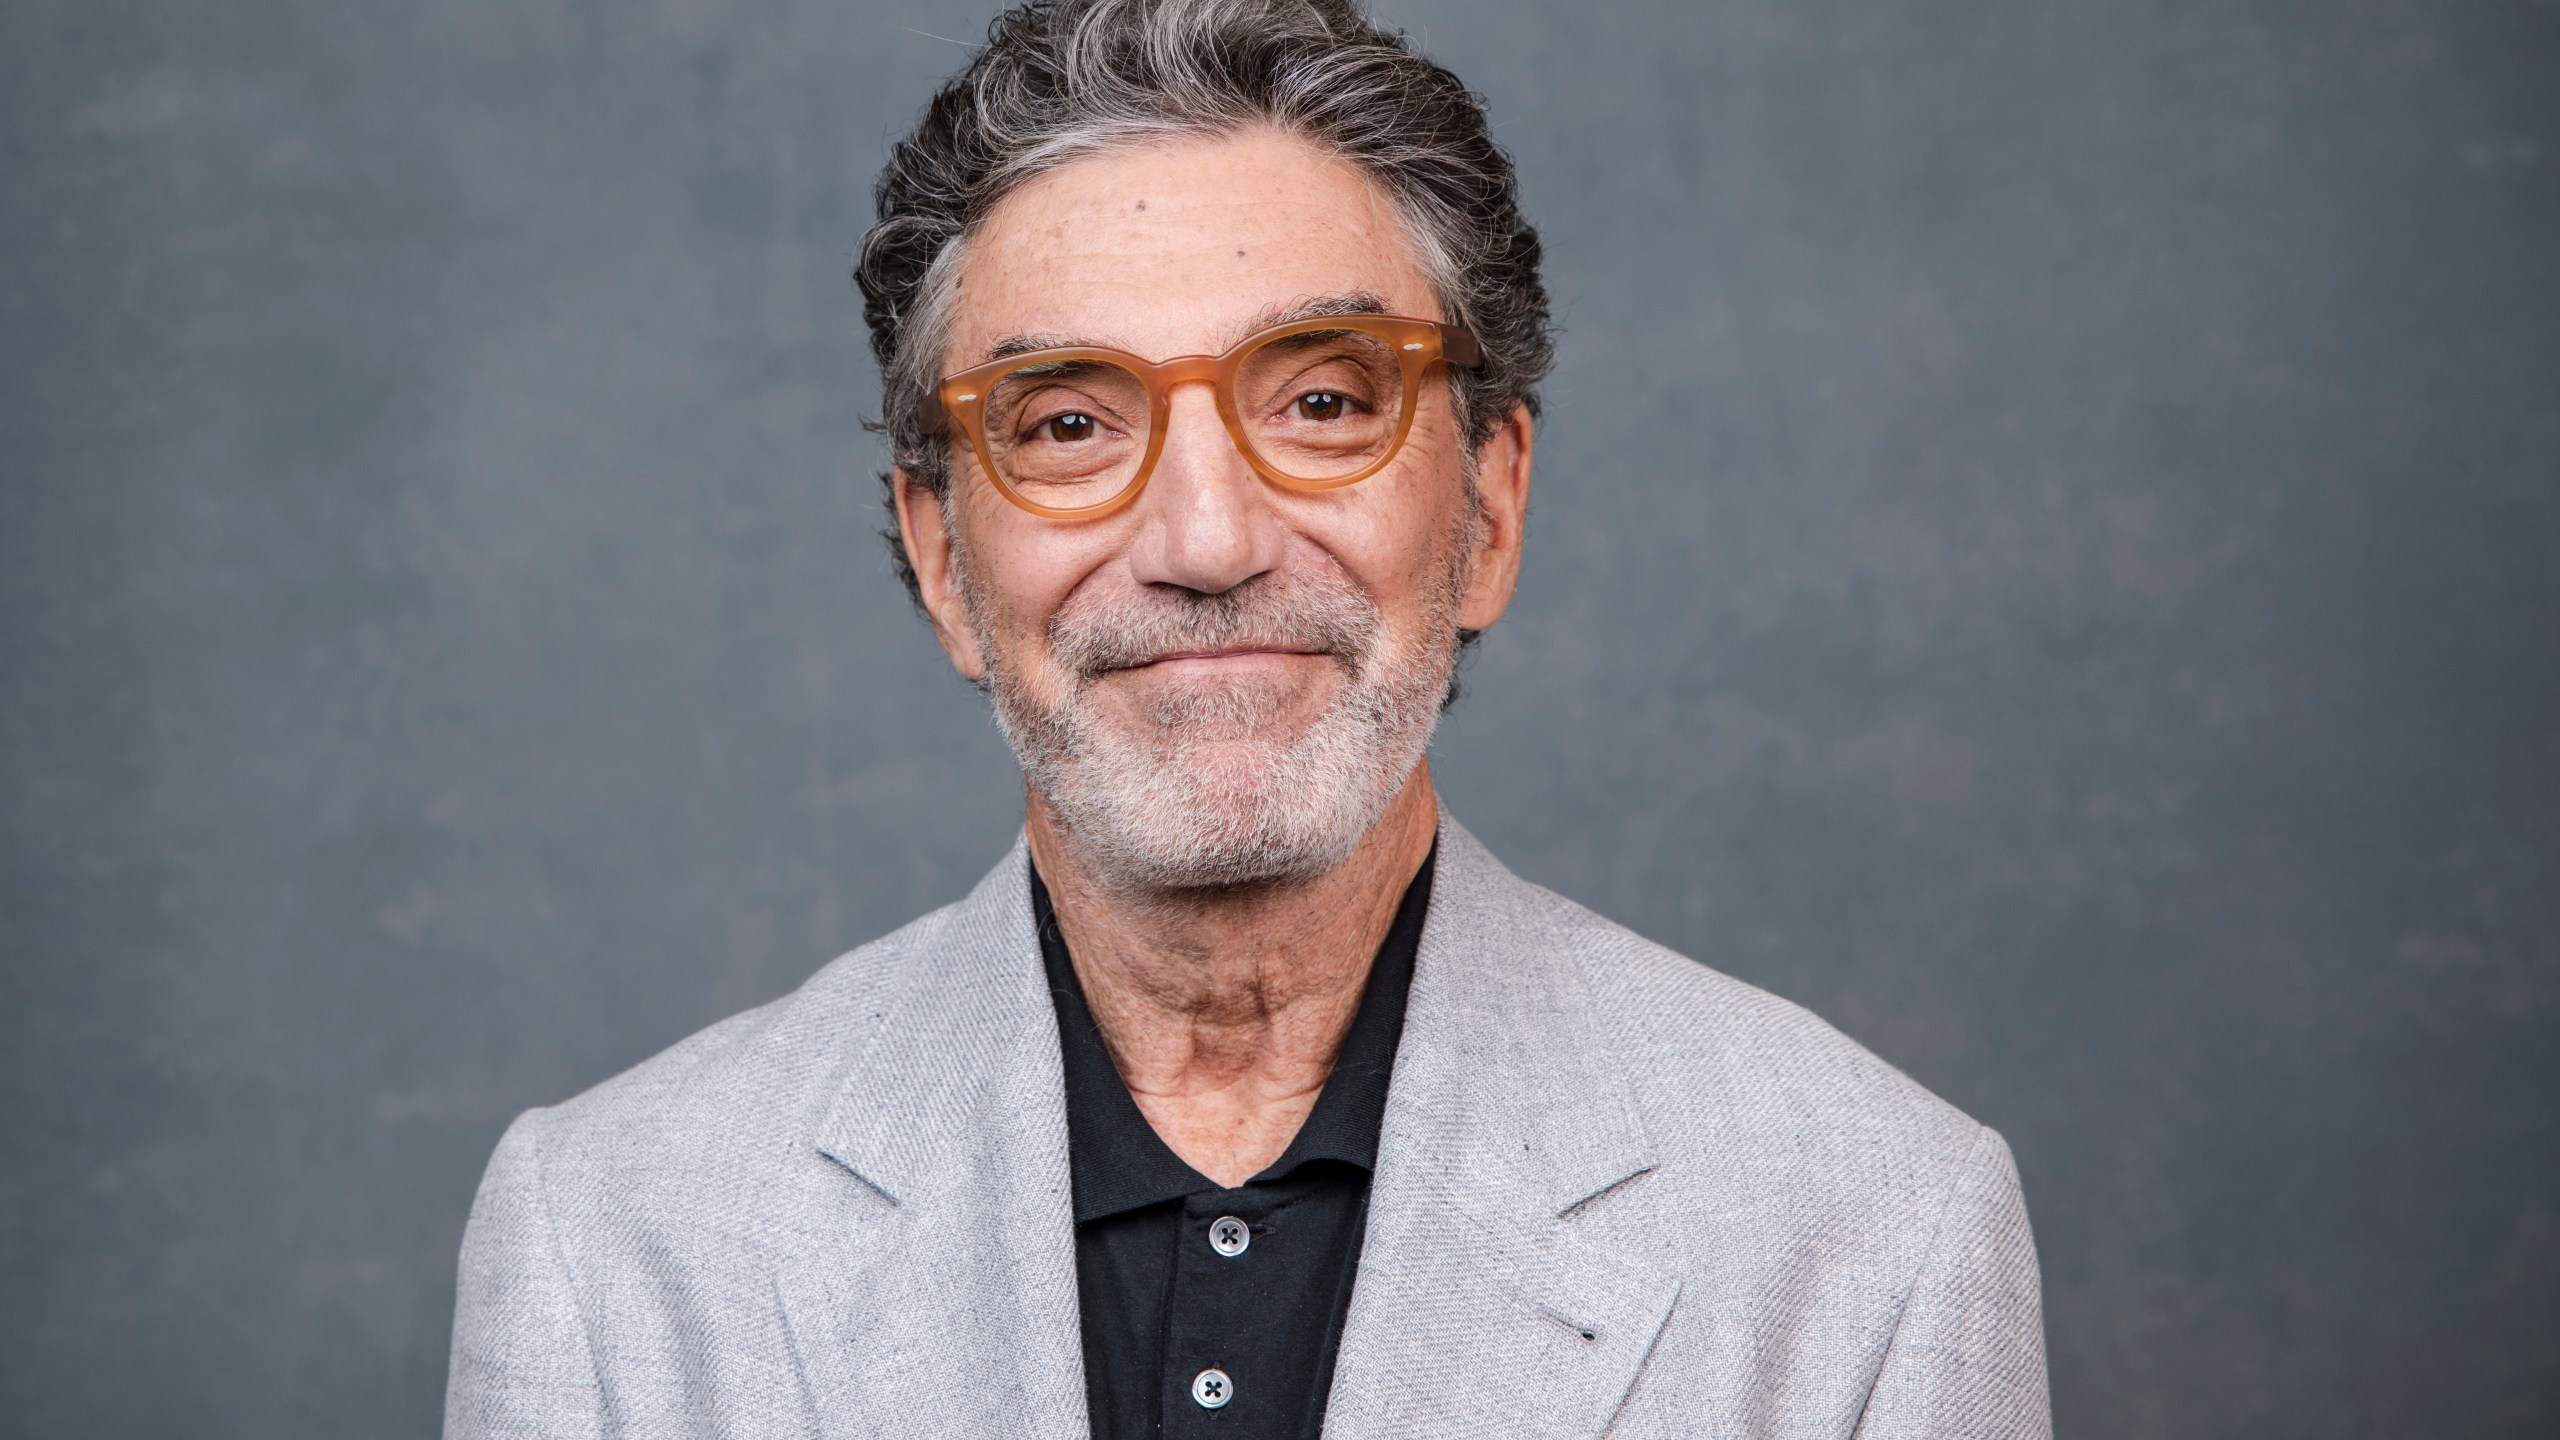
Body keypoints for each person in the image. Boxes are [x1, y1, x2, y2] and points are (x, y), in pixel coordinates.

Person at [442, 0, 2051, 1435]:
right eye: (1068, 423)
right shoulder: (611, 1239)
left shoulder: (1871, 1232)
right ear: (941, 557)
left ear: (1489, 504)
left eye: (1325, 403)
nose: (1207, 541)